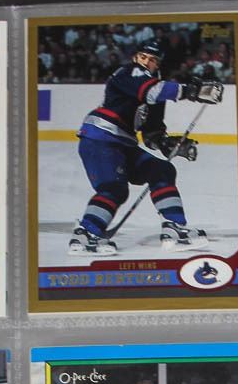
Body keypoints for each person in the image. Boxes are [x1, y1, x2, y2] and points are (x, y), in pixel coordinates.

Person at [68, 40, 223, 255]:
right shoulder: (130, 72)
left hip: (121, 143)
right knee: (113, 188)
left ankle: (174, 228)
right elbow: (151, 91)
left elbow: (151, 133)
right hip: (100, 138)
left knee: (162, 170)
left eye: (152, 60)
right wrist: (192, 91)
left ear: (158, 64)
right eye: (143, 57)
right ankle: (84, 235)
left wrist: (167, 143)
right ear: (135, 58)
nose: (146, 62)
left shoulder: (156, 88)